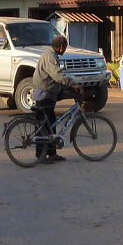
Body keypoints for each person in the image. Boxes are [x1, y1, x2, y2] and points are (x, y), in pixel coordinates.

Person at [31, 35, 82, 163]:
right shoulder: (50, 56)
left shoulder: (51, 54)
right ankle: (41, 155)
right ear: (60, 47)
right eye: (64, 47)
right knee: (45, 125)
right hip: (44, 94)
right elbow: (57, 75)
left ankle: (52, 153)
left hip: (48, 91)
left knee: (50, 125)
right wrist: (72, 83)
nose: (64, 50)